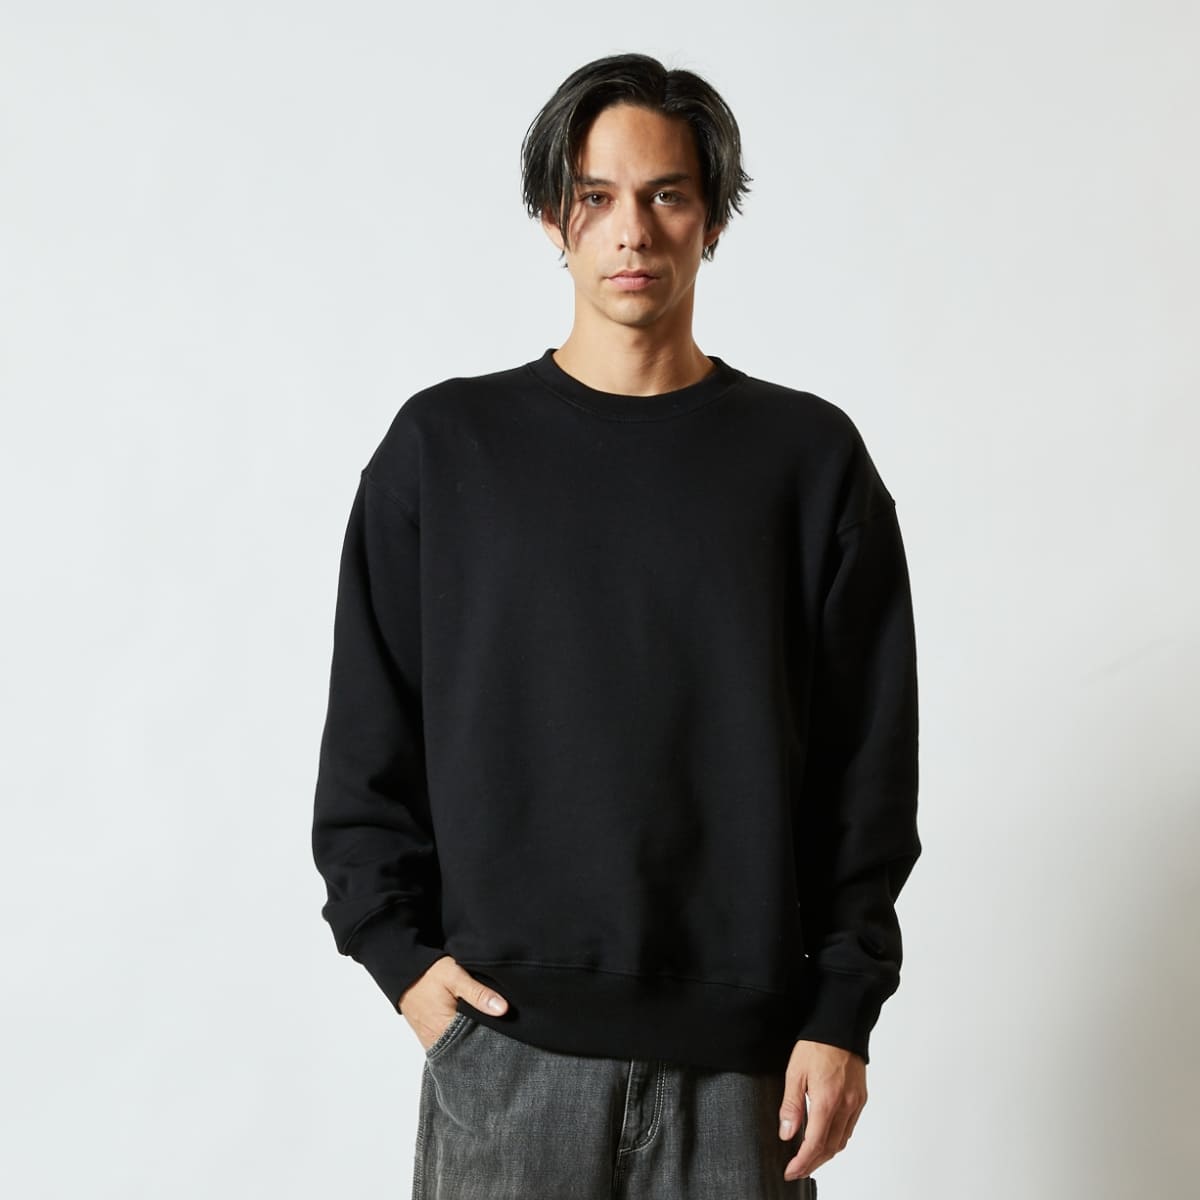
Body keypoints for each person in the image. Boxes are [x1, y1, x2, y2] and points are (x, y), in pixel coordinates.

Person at [311, 51, 921, 1200]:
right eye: (595, 196)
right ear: (553, 217)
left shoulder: (808, 463)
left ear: (712, 218)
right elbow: (367, 752)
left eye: (666, 194)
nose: (631, 230)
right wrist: (407, 969)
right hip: (506, 1052)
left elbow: (867, 778)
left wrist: (843, 1010)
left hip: (746, 1070)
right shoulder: (445, 450)